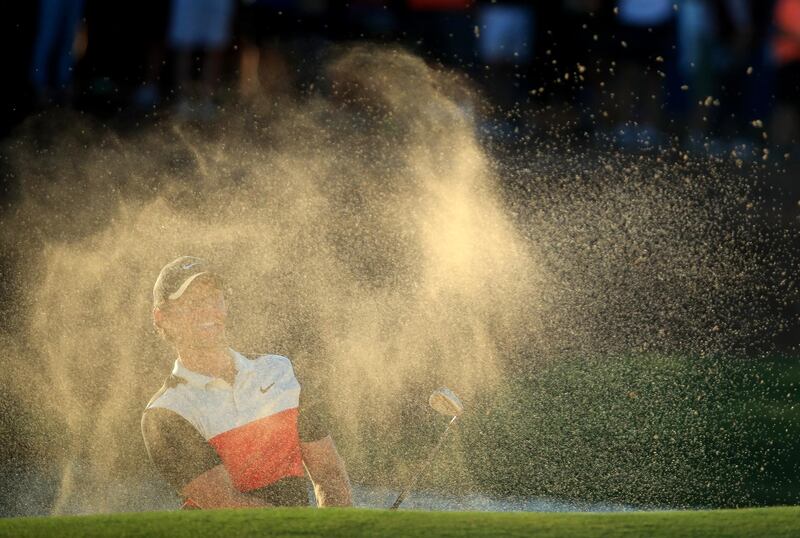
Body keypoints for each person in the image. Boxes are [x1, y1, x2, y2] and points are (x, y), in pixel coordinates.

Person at [141, 256, 352, 509]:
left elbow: (330, 474)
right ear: (162, 317)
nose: (208, 311)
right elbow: (229, 506)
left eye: (213, 299)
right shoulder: (165, 414)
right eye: (193, 303)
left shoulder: (280, 371)